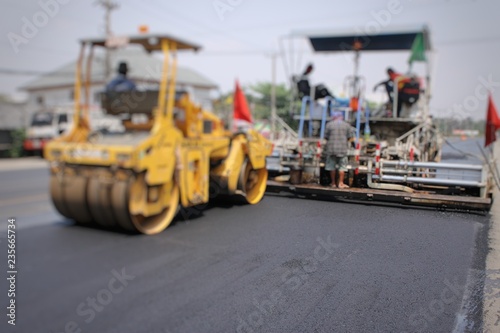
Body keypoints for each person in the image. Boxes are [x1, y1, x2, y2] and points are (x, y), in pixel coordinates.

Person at [324, 111, 355, 189]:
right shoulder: (347, 125)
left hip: (331, 149)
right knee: (342, 167)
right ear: (342, 117)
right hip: (342, 149)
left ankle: (333, 183)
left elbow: (325, 137)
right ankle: (341, 183)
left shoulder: (329, 125)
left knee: (332, 166)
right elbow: (350, 137)